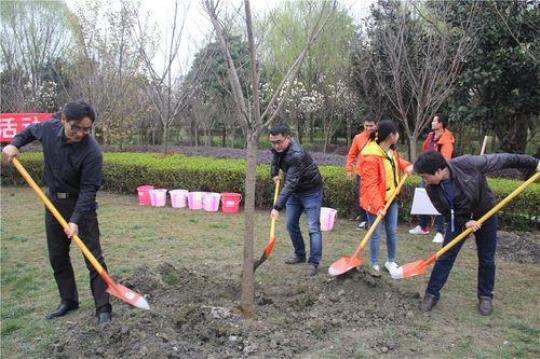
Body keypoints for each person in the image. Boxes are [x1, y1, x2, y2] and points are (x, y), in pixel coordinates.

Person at [2, 100, 112, 325]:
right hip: (53, 203)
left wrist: (76, 221)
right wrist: (15, 144)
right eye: (76, 127)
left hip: (82, 206)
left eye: (86, 129)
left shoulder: (92, 152)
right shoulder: (49, 129)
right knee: (57, 256)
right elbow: (29, 131)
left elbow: (89, 190)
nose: (81, 133)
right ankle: (68, 300)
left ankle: (103, 307)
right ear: (63, 120)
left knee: (93, 258)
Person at [414, 150, 540, 315]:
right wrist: (465, 222)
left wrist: (534, 163)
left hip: (484, 213)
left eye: (425, 176)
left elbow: (504, 159)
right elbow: (445, 211)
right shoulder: (432, 188)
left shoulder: (468, 164)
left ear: (438, 171)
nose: (424, 180)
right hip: (459, 219)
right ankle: (431, 294)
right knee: (445, 256)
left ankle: (485, 296)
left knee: (486, 258)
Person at [359, 120, 413, 277]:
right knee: (375, 233)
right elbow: (370, 185)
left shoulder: (390, 150)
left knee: (392, 231)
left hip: (391, 199)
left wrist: (406, 166)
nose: (398, 135)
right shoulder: (371, 156)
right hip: (375, 202)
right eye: (397, 133)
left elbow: (394, 162)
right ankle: (374, 263)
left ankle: (391, 261)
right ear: (391, 135)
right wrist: (378, 206)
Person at [269, 125, 323, 276]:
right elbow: (275, 161)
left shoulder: (296, 154)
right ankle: (300, 254)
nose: (275, 145)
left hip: (311, 191)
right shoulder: (277, 149)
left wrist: (277, 207)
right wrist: (274, 174)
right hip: (295, 192)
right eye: (272, 142)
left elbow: (290, 183)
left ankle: (314, 262)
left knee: (313, 227)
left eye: (279, 142)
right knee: (290, 223)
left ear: (287, 137)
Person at [409, 114, 455, 243]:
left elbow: (446, 160)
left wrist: (437, 175)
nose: (432, 122)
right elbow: (425, 151)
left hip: (436, 176)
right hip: (426, 174)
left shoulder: (446, 140)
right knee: (423, 198)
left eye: (435, 121)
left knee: (440, 201)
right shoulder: (430, 137)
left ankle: (440, 231)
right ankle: (423, 226)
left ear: (441, 124)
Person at [345, 115, 377, 230]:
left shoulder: (380, 137)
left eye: (371, 126)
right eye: (366, 126)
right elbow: (352, 154)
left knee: (374, 197)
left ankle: (374, 221)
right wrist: (349, 169)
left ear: (376, 125)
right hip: (361, 173)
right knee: (362, 197)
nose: (369, 128)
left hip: (376, 174)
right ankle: (364, 221)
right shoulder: (358, 138)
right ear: (363, 125)